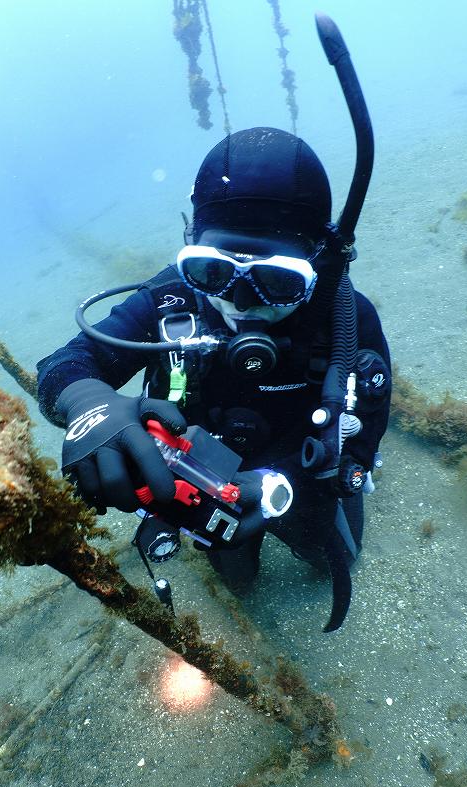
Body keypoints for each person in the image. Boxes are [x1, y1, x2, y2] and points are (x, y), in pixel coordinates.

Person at [36, 127, 391, 630]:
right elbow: (64, 364)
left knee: (331, 558)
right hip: (205, 484)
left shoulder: (344, 317)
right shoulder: (169, 299)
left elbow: (362, 439)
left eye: (276, 282)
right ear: (191, 247)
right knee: (238, 581)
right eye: (214, 272)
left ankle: (305, 538)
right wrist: (90, 404)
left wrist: (277, 485)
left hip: (306, 476)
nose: (240, 301)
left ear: (317, 263)